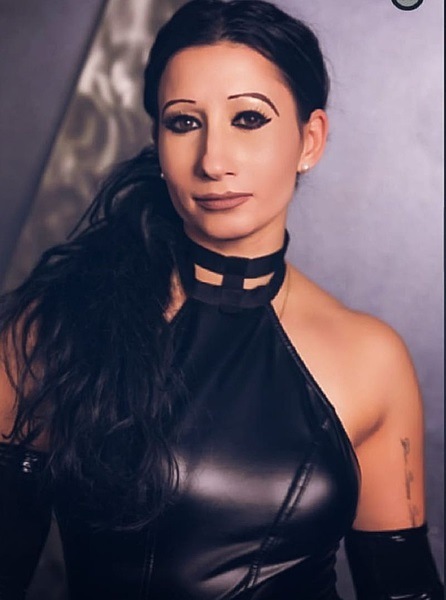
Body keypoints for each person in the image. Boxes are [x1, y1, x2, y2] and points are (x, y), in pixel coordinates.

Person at [0, 0, 443, 598]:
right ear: (157, 141)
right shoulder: (55, 327)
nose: (212, 161)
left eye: (248, 119)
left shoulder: (373, 358)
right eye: (184, 123)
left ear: (310, 139)